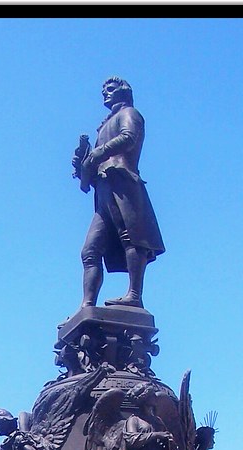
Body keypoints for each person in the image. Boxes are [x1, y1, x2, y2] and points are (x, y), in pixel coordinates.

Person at [73, 77, 165, 309]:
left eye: (111, 89)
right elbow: (92, 169)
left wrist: (98, 153)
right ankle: (87, 305)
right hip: (104, 189)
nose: (105, 93)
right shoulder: (104, 125)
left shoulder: (130, 113)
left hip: (123, 183)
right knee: (90, 251)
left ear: (124, 92)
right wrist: (82, 165)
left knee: (131, 238)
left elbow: (129, 138)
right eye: (104, 90)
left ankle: (134, 294)